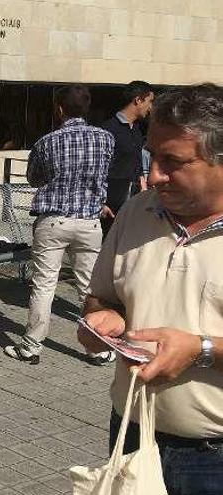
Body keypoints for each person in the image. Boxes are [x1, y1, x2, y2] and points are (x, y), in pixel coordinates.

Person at [79, 83, 223, 494]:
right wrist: (103, 317)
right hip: (130, 434)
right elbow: (101, 297)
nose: (154, 174)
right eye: (152, 154)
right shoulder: (136, 210)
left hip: (214, 458)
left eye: (172, 161)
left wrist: (202, 349)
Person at [3, 85, 115, 366]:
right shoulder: (106, 139)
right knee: (89, 288)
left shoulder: (47, 142)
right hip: (89, 222)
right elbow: (104, 175)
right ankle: (98, 348)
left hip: (53, 221)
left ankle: (31, 347)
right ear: (86, 109)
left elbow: (34, 179)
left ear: (60, 109)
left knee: (44, 284)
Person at [99, 80, 155, 237]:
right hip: (111, 204)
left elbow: (137, 164)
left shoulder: (136, 131)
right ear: (138, 100)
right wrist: (101, 202)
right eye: (150, 101)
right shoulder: (108, 130)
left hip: (132, 202)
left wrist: (143, 185)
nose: (151, 107)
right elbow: (100, 168)